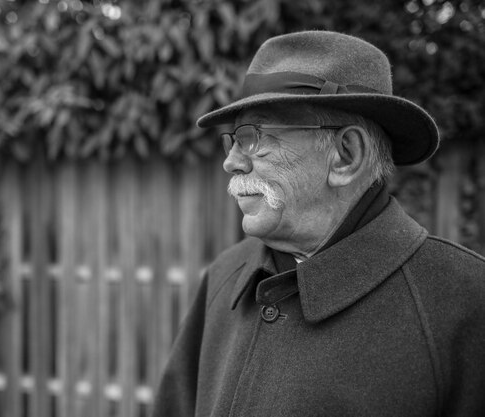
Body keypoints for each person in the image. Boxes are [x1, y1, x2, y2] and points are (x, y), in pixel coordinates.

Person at [151, 31, 485, 417]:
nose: (232, 162)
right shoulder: (226, 275)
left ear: (346, 156)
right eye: (234, 140)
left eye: (254, 137)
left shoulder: (464, 304)